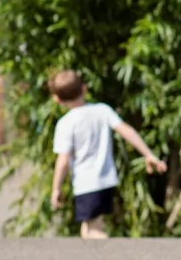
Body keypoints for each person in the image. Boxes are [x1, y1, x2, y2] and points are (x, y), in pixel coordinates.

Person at [49, 70, 167, 240]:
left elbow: (63, 161)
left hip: (86, 183)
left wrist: (56, 188)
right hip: (106, 179)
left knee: (96, 232)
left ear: (57, 99)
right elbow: (127, 131)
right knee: (88, 227)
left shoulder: (65, 123)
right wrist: (148, 154)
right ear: (84, 89)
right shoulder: (102, 111)